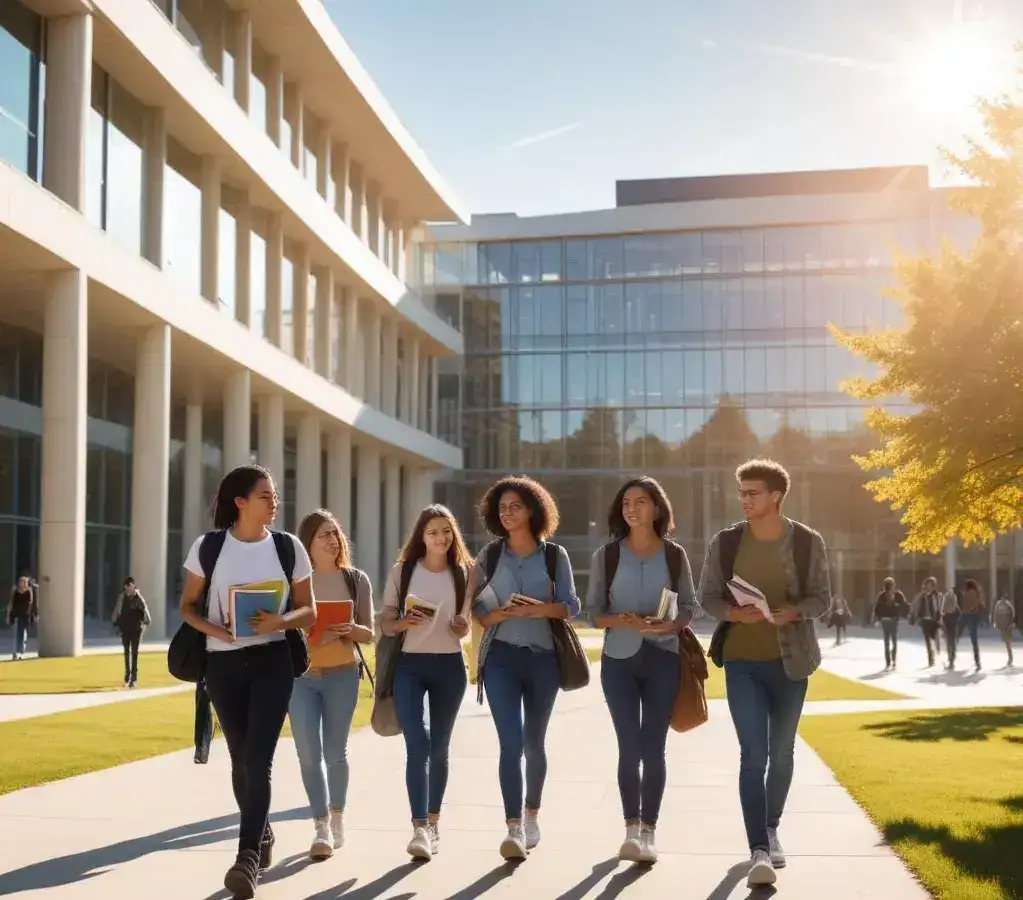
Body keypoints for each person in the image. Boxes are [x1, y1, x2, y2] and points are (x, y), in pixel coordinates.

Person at [178, 464, 316, 900]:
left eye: (275, 496)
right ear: (239, 501)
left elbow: (308, 609)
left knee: (259, 759)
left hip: (274, 659)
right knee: (240, 759)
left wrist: (280, 620)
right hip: (222, 664)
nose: (274, 503)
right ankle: (264, 832)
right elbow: (187, 607)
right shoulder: (210, 547)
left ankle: (246, 859)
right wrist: (218, 631)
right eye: (265, 496)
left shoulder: (288, 547)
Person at [697, 459, 831, 889]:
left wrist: (794, 611)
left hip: (792, 662)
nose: (744, 500)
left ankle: (771, 828)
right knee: (753, 755)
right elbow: (707, 596)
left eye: (752, 493)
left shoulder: (808, 542)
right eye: (741, 493)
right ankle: (758, 848)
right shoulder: (727, 541)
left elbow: (822, 599)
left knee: (783, 753)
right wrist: (734, 612)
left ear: (776, 496)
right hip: (741, 661)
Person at [586, 476, 699, 864]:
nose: (632, 508)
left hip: (663, 658)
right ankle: (631, 830)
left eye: (641, 501)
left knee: (653, 748)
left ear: (656, 508)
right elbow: (593, 615)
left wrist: (671, 625)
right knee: (628, 747)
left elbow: (689, 606)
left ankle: (649, 831)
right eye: (626, 503)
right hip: (618, 660)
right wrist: (623, 620)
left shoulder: (674, 555)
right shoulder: (607, 555)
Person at [471, 475, 581, 860]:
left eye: (514, 506)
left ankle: (532, 814)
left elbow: (571, 605)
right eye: (501, 508)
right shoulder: (488, 556)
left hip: (543, 659)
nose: (507, 513)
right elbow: (478, 610)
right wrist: (497, 612)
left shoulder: (554, 556)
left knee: (534, 743)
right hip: (501, 657)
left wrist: (538, 609)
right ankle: (513, 828)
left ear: (533, 510)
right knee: (510, 743)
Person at [380, 504, 472, 861]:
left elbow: (467, 623)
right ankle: (419, 826)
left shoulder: (462, 573)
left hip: (449, 666)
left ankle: (433, 823)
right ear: (421, 536)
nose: (441, 537)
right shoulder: (403, 572)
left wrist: (463, 627)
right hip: (410, 666)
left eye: (446, 531)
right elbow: (385, 621)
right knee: (417, 743)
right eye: (433, 531)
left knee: (440, 747)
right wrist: (403, 622)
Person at [290, 509, 373, 861]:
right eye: (323, 534)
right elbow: (284, 636)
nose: (331, 540)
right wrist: (318, 637)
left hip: (342, 674)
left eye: (335, 533)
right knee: (308, 754)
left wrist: (351, 630)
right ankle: (320, 825)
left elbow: (369, 632)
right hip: (301, 680)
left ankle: (337, 817)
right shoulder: (295, 583)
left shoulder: (356, 580)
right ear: (307, 542)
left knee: (335, 752)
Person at [111, 577, 152, 687]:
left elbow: (145, 612)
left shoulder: (138, 598)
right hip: (125, 629)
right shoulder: (122, 597)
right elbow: (118, 609)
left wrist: (146, 623)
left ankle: (133, 677)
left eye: (129, 588)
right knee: (126, 652)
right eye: (126, 588)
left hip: (136, 629)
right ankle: (127, 675)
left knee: (134, 653)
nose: (127, 591)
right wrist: (114, 622)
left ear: (133, 586)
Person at [872, 578, 909, 670]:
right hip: (889, 620)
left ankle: (890, 661)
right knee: (891, 641)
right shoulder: (885, 595)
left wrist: (878, 618)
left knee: (889, 641)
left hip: (890, 620)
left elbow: (904, 605)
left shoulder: (895, 595)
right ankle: (891, 661)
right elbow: (904, 605)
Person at [910, 577, 943, 667]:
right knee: (927, 641)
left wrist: (941, 618)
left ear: (933, 586)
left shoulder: (937, 596)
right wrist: (916, 617)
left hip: (935, 620)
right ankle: (930, 659)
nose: (928, 587)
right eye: (927, 585)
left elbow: (940, 608)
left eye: (930, 585)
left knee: (936, 638)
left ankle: (938, 651)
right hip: (925, 620)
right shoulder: (922, 596)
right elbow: (915, 605)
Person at [957, 579, 986, 671]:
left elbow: (964, 605)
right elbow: (981, 604)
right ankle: (978, 662)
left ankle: (951, 657)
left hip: (966, 614)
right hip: (975, 616)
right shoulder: (978, 593)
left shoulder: (968, 593)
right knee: (974, 640)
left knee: (957, 634)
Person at [6, 574, 36, 660]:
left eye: (24, 582)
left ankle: (20, 652)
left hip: (24, 616)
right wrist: (8, 615)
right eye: (20, 582)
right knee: (15, 634)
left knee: (22, 634)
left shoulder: (29, 591)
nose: (21, 584)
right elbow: (10, 603)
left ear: (26, 583)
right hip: (15, 616)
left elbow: (31, 604)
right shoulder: (15, 591)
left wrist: (31, 615)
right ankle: (15, 652)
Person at [940, 584, 961, 669]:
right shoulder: (956, 610)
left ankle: (951, 659)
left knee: (949, 642)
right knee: (952, 642)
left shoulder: (946, 610)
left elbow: (943, 611)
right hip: (952, 625)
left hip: (948, 625)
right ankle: (951, 659)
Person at [993, 594, 1015, 667]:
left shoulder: (1008, 605)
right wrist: (995, 622)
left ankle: (1010, 657)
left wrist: (1012, 622)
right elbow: (995, 613)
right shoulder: (998, 604)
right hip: (1003, 625)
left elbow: (1013, 614)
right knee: (1006, 642)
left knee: (1007, 641)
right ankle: (1010, 657)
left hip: (1008, 625)